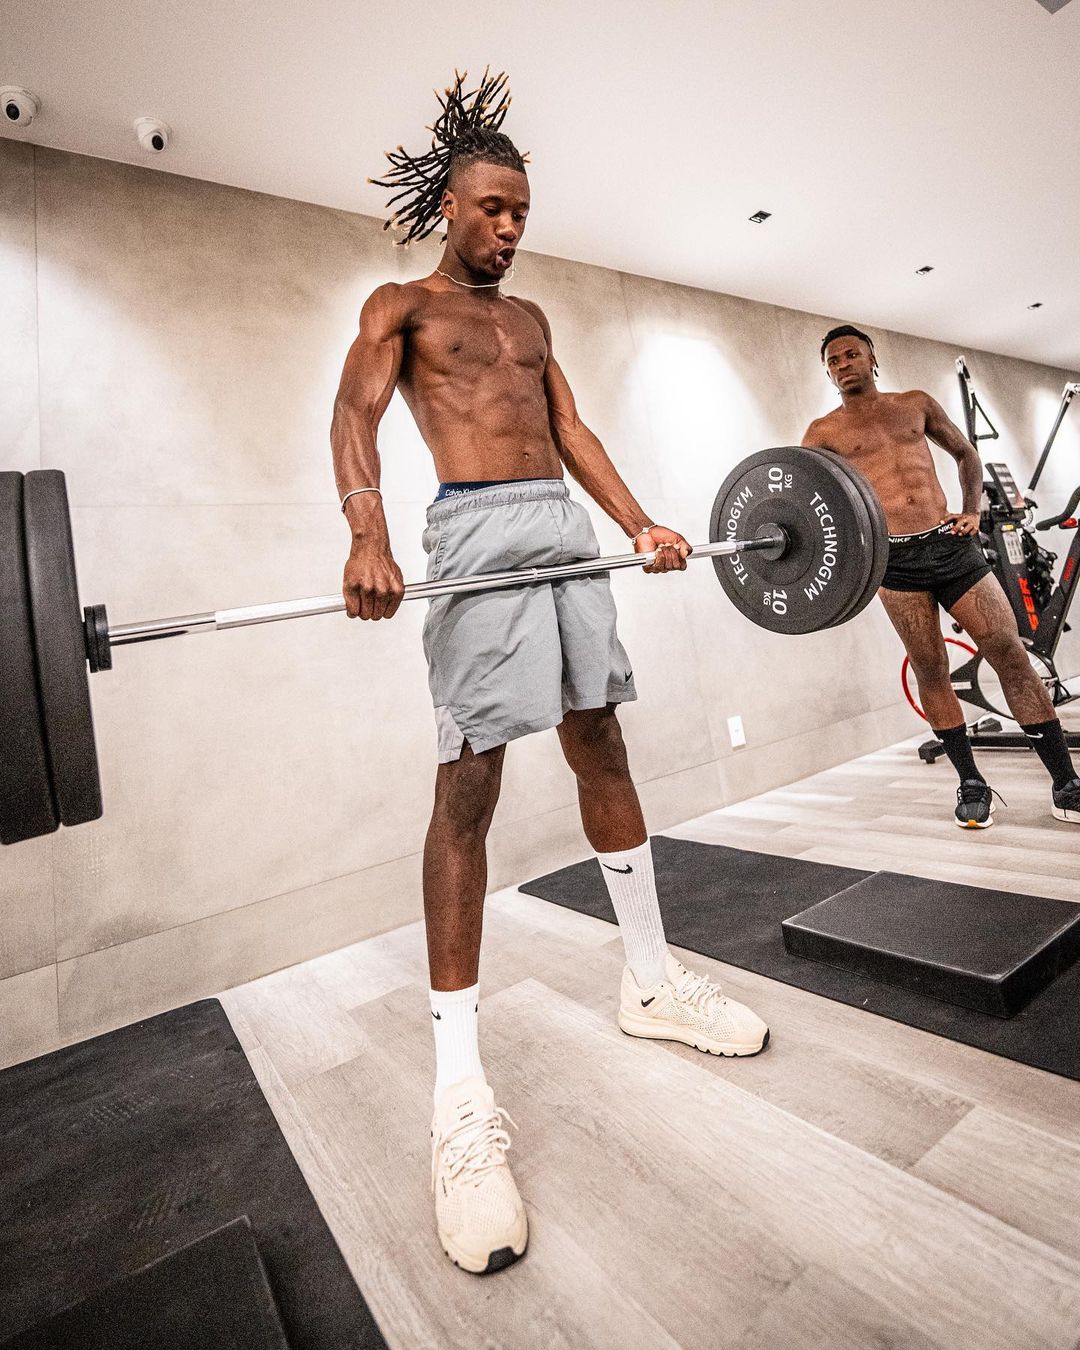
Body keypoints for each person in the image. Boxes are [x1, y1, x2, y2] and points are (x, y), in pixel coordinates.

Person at [331, 71, 769, 1276]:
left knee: (603, 744)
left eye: (523, 210)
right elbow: (353, 420)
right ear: (450, 207)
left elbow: (571, 433)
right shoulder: (400, 305)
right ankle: (459, 1097)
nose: (511, 228)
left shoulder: (531, 323)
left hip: (563, 533)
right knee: (468, 782)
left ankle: (649, 981)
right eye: (492, 209)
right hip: (472, 534)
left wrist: (640, 523)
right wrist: (369, 531)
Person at [803, 324, 1080, 828]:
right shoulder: (823, 432)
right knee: (930, 668)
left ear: (871, 358)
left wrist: (972, 510)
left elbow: (966, 453)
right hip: (893, 562)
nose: (843, 365)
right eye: (834, 360)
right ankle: (971, 784)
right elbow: (812, 498)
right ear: (827, 371)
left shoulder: (915, 403)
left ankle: (1065, 783)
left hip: (952, 548)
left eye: (851, 355)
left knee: (1010, 654)